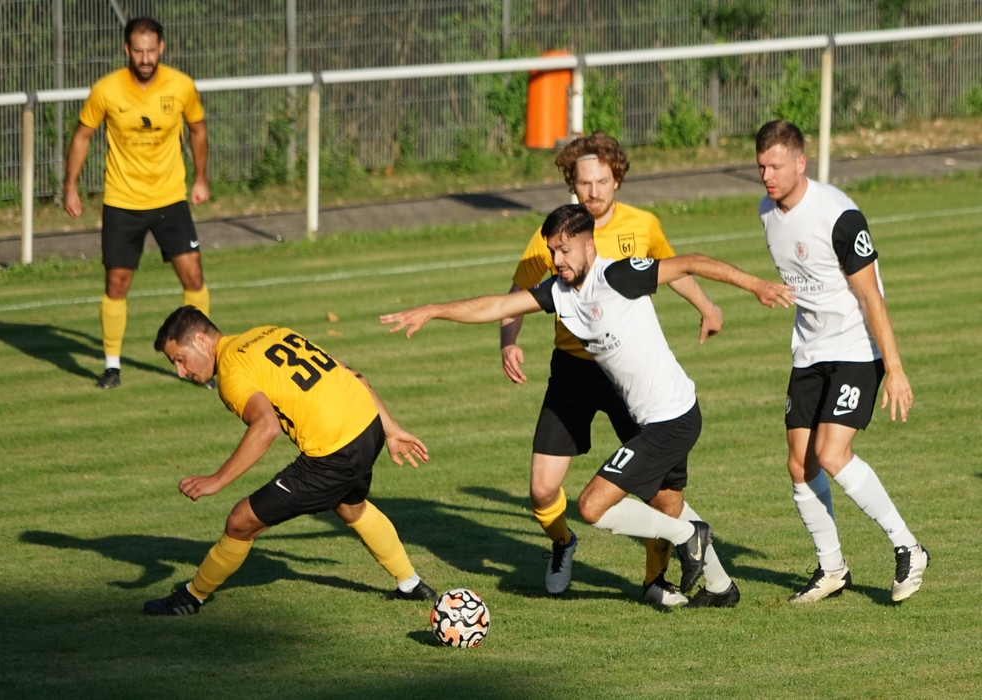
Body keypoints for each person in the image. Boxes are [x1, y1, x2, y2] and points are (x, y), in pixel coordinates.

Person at [382, 204, 794, 605]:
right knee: (668, 503)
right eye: (552, 250)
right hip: (659, 419)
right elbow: (497, 306)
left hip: (672, 419)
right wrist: (434, 310)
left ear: (589, 245)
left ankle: (688, 536)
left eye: (565, 249)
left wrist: (756, 286)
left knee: (592, 506)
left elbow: (692, 262)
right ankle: (721, 587)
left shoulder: (617, 275)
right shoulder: (559, 293)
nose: (557, 259)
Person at [501, 132, 725, 606]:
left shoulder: (642, 224)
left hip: (625, 376)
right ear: (572, 183)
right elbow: (517, 293)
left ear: (616, 180)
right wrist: (509, 341)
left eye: (602, 181)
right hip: (572, 371)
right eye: (584, 183)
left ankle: (659, 580)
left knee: (661, 491)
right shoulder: (554, 236)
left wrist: (706, 306)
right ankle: (562, 543)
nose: (594, 191)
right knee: (542, 489)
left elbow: (672, 269)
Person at [142, 306, 436, 616]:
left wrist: (217, 480)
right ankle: (411, 584)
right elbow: (349, 374)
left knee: (241, 522)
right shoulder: (269, 332)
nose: (180, 372)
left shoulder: (231, 369)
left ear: (201, 340)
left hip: (335, 452)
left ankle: (192, 597)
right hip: (367, 425)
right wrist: (389, 427)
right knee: (351, 507)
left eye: (180, 359)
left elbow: (266, 427)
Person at [755, 120, 929, 603]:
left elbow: (871, 296)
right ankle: (832, 568)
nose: (767, 176)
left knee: (832, 454)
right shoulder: (766, 212)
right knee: (799, 464)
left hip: (856, 348)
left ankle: (909, 547)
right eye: (761, 167)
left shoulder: (840, 216)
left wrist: (894, 368)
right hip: (809, 351)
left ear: (800, 162)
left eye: (776, 166)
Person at [63, 17, 211, 390]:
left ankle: (203, 362)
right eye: (138, 51)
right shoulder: (106, 90)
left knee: (193, 277)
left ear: (162, 48)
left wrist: (201, 178)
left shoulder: (181, 85)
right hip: (122, 201)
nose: (145, 58)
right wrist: (70, 186)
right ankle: (112, 366)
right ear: (126, 50)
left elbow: (198, 129)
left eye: (151, 51)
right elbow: (82, 136)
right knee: (117, 283)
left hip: (170, 199)